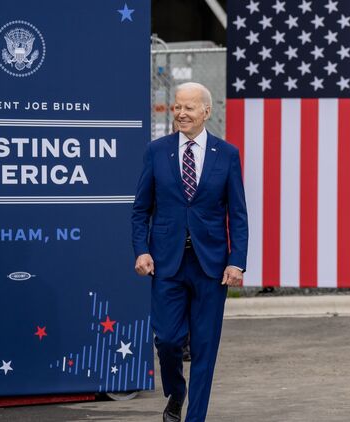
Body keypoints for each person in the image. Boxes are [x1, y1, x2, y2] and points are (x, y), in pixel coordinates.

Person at [131, 82, 248, 422]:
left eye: (189, 108)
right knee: (168, 340)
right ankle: (176, 392)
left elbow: (238, 213)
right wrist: (141, 250)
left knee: (204, 349)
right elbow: (140, 210)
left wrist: (237, 261)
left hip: (210, 266)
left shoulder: (227, 155)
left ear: (206, 112)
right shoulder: (157, 151)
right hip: (167, 264)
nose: (181, 113)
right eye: (177, 107)